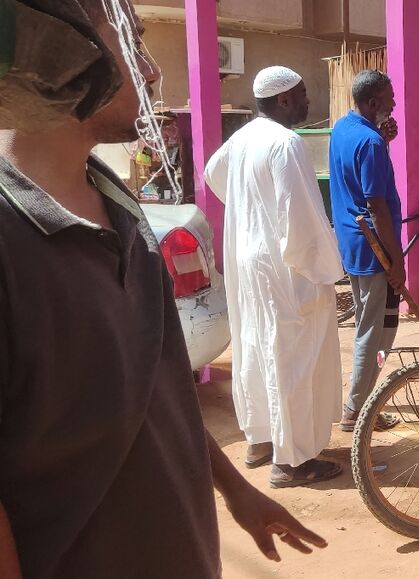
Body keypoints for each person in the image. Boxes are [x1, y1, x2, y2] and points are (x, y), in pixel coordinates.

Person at [0, 4, 325, 577]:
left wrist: (233, 490)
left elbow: (159, 386)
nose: (151, 72)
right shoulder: (10, 241)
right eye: (130, 43)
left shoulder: (125, 213)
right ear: (59, 53)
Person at [205, 66, 344, 487]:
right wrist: (325, 266)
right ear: (283, 100)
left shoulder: (243, 138)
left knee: (256, 348)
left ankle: (261, 439)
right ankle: (293, 462)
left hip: (248, 260)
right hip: (285, 265)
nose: (307, 102)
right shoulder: (285, 142)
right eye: (302, 95)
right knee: (293, 358)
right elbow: (299, 214)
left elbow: (214, 175)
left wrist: (251, 208)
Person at [329, 70, 403, 432]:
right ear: (372, 102)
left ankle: (364, 402)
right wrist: (398, 261)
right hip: (375, 249)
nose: (394, 103)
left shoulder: (344, 129)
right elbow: (376, 205)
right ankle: (356, 409)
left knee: (376, 326)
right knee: (374, 333)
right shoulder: (369, 142)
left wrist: (383, 142)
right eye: (389, 98)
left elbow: (362, 182)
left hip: (354, 245)